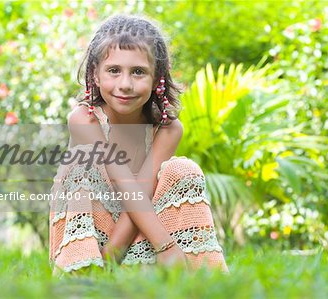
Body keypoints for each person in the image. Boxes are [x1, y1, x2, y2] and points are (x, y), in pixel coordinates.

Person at [49, 14, 228, 274]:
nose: (125, 84)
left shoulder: (167, 129)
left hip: (140, 225)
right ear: (95, 76)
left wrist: (163, 248)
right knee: (80, 166)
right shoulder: (84, 119)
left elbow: (140, 194)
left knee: (181, 171)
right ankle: (85, 268)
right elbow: (124, 184)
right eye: (113, 70)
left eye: (138, 72)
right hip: (94, 231)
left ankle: (189, 269)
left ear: (157, 80)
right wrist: (159, 248)